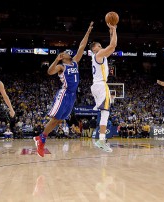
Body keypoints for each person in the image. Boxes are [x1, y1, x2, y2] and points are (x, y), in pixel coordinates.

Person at [33, 21, 94, 157]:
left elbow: (82, 46)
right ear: (62, 57)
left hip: (72, 96)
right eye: (65, 52)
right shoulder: (62, 66)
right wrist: (56, 60)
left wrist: (88, 32)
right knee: (55, 118)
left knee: (60, 120)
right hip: (64, 93)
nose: (68, 52)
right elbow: (49, 72)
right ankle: (41, 139)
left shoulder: (74, 62)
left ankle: (41, 139)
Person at [89, 23, 117, 152]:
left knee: (104, 113)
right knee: (105, 113)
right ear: (94, 49)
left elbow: (111, 47)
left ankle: (101, 139)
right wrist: (115, 29)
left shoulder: (99, 56)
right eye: (99, 46)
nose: (101, 47)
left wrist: (111, 31)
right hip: (101, 85)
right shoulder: (98, 55)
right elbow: (112, 46)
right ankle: (101, 140)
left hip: (96, 85)